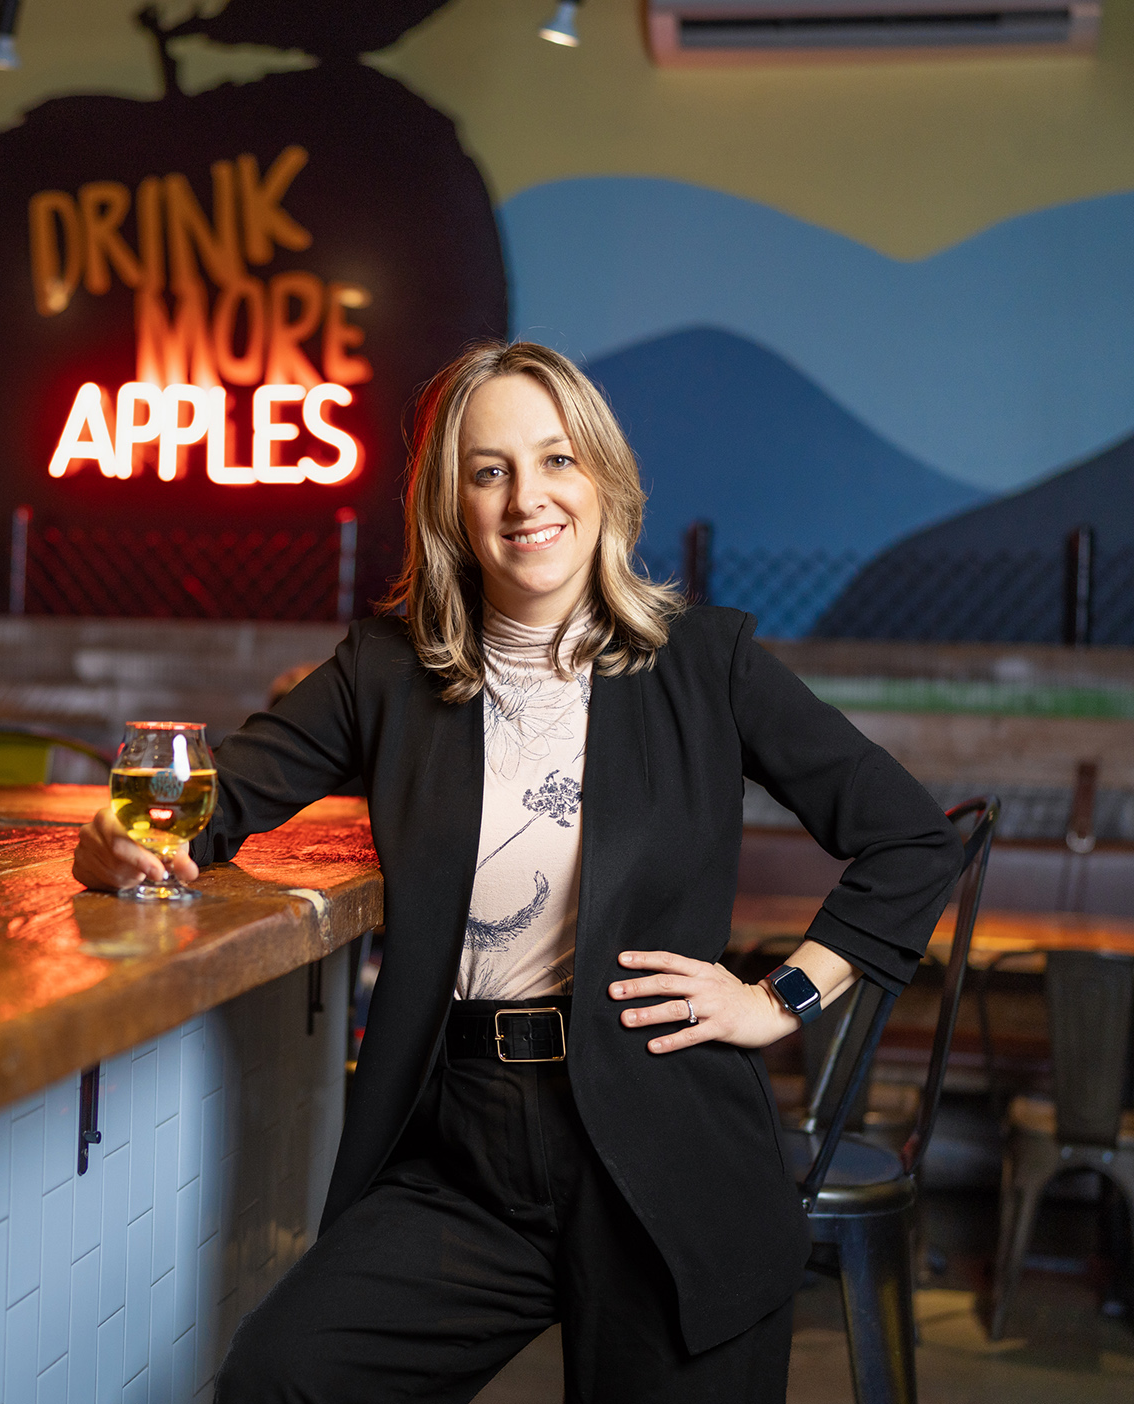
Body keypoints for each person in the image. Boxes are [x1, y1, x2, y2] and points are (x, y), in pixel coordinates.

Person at [71, 340, 964, 1400]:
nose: (523, 498)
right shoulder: (387, 668)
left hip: (663, 1144)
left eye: (553, 461)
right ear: (450, 504)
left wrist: (781, 996)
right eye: (487, 470)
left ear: (601, 481)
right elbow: (214, 802)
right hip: (462, 1148)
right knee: (284, 1377)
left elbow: (911, 837)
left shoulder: (702, 662)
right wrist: (116, 844)